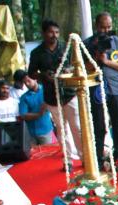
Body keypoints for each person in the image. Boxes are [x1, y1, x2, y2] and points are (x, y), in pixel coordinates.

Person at [28, 19, 83, 166]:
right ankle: (68, 160)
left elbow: (76, 66)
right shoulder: (36, 53)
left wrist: (68, 70)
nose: (54, 35)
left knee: (77, 127)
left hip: (70, 93)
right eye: (51, 32)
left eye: (57, 32)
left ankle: (84, 159)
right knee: (62, 129)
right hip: (52, 96)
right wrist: (43, 75)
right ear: (44, 33)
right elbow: (31, 73)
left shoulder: (66, 47)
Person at [84, 12, 118, 166]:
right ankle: (96, 160)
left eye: (109, 27)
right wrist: (96, 58)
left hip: (116, 90)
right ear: (96, 26)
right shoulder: (87, 44)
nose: (105, 30)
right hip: (96, 90)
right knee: (98, 126)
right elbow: (82, 68)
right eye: (102, 27)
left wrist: (107, 61)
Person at [18, 71, 54, 145]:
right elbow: (24, 115)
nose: (27, 84)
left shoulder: (46, 90)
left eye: (28, 81)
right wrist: (39, 114)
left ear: (35, 79)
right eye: (25, 83)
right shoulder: (24, 97)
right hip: (30, 133)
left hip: (46, 130)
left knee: (48, 153)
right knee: (33, 155)